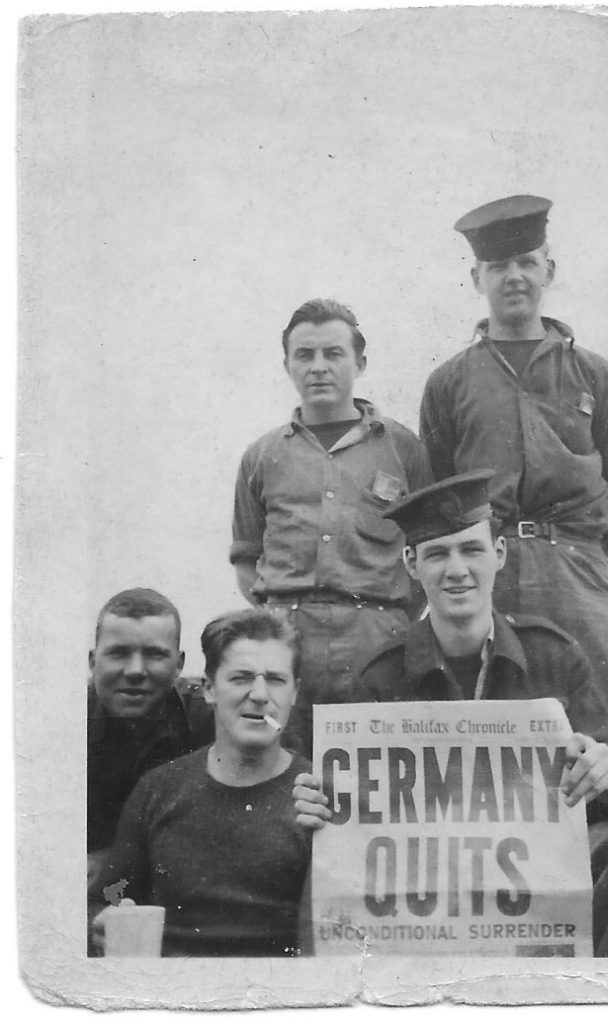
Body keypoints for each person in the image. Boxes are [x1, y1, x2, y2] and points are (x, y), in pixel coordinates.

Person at [294, 472, 608, 958]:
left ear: (499, 553)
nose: (457, 570)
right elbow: (346, 818)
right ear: (411, 563)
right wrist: (318, 802)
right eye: (437, 554)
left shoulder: (555, 655)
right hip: (424, 886)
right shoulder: (379, 677)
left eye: (471, 550)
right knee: (319, 876)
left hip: (539, 870)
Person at [419, 196, 608, 773]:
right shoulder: (448, 382)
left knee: (602, 704)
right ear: (477, 278)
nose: (514, 276)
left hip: (575, 567)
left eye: (526, 262)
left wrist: (581, 559)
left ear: (549, 269)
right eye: (498, 266)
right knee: (486, 721)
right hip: (485, 570)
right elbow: (439, 499)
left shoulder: (592, 372)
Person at [230, 298, 432, 756]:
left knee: (376, 768)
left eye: (333, 354)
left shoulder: (403, 449)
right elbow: (247, 565)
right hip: (286, 639)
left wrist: (384, 621)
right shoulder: (261, 456)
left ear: (360, 362)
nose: (318, 367)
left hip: (376, 638)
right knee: (283, 767)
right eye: (305, 355)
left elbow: (426, 553)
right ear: (287, 365)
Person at [90, 608, 312, 958]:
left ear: (295, 692)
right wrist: (105, 916)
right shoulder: (159, 790)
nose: (259, 694)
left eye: (275, 679)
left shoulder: (317, 797)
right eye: (240, 678)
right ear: (209, 689)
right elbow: (108, 893)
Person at [87, 588, 213, 889]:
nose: (135, 671)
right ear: (92, 661)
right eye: (118, 653)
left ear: (179, 664)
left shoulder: (208, 719)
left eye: (154, 654)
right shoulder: (59, 723)